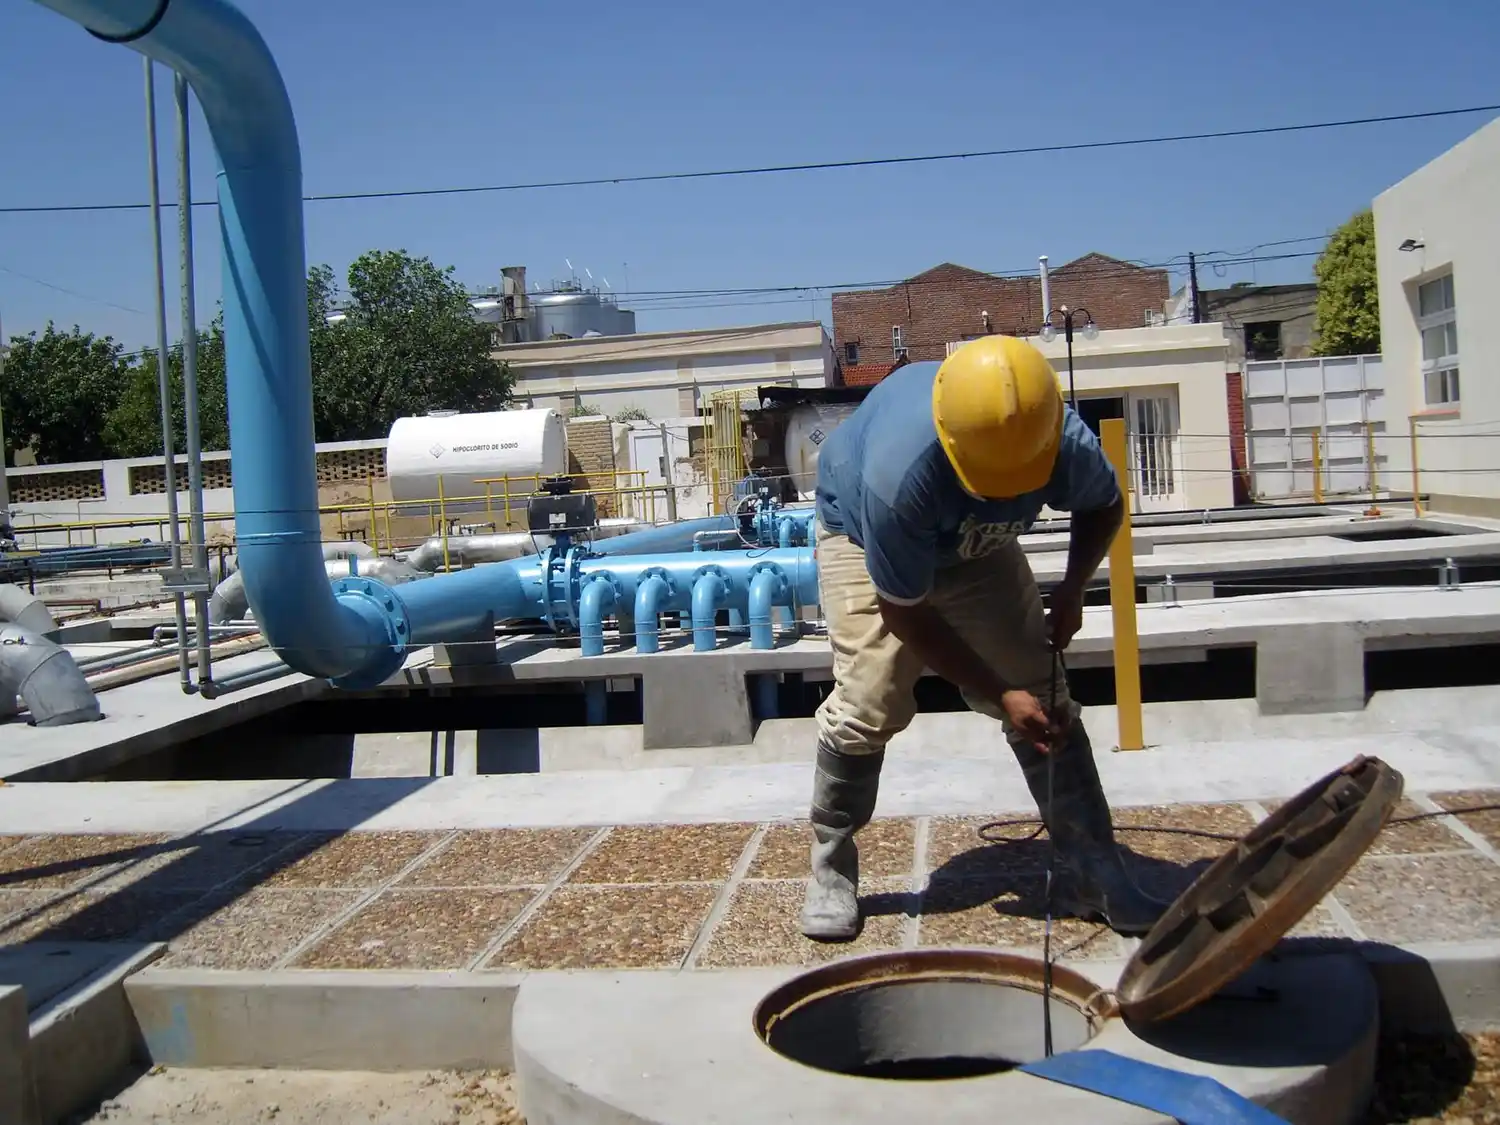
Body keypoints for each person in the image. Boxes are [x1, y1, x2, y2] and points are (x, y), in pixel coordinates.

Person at [801, 334, 1165, 942]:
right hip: (859, 534)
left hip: (975, 544)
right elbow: (906, 615)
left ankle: (1094, 871)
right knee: (870, 702)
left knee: (1046, 694)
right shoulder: (899, 475)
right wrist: (999, 694)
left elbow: (1103, 504)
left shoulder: (1055, 434)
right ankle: (831, 869)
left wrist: (1073, 590)